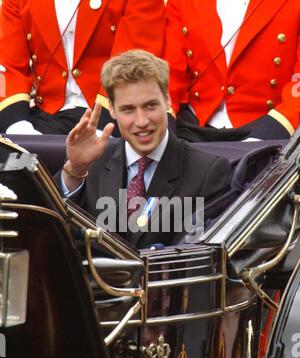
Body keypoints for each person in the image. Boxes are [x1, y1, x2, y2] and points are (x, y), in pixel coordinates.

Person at [55, 50, 232, 249]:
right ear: (111, 109)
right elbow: (57, 236)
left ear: (167, 100)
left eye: (150, 106)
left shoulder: (207, 172)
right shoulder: (92, 162)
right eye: (128, 109)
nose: (142, 121)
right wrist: (75, 171)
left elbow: (197, 257)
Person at [0, 0, 165, 135]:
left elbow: (134, 64)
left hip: (116, 113)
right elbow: (6, 65)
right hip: (48, 114)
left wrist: (101, 128)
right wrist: (18, 126)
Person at [163, 0, 300, 142]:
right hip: (194, 126)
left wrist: (276, 126)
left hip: (269, 127)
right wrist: (164, 118)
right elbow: (171, 71)